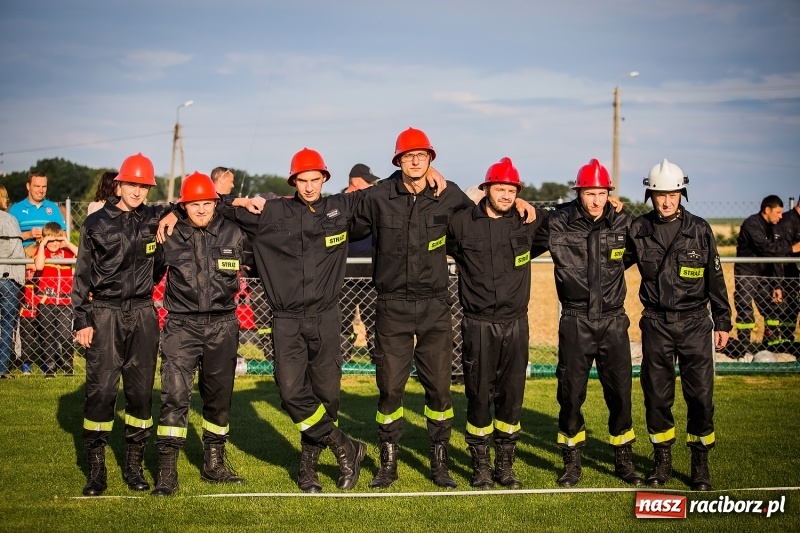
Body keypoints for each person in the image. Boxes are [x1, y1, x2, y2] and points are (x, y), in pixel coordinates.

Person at [351, 128, 537, 489]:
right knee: (390, 388)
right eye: (409, 156)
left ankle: (440, 463)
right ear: (398, 161)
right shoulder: (377, 196)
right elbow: (338, 214)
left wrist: (519, 205)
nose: (416, 161)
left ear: (431, 159)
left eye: (422, 155)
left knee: (439, 389)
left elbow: (485, 216)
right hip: (392, 306)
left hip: (436, 305)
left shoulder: (448, 193)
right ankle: (388, 463)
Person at [215, 149, 378, 493]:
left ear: (325, 179)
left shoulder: (341, 208)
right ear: (293, 181)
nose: (308, 187)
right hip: (286, 319)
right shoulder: (269, 211)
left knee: (327, 396)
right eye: (302, 180)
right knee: (291, 392)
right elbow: (206, 203)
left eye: (314, 180)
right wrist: (238, 200)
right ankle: (345, 445)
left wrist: (437, 179)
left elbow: (386, 191)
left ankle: (308, 468)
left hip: (327, 318)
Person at [529, 159, 642, 488]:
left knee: (620, 392)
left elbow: (636, 253)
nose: (596, 200)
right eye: (590, 193)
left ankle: (623, 458)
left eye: (602, 193)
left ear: (610, 193)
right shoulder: (557, 222)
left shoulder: (622, 220)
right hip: (575, 320)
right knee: (571, 393)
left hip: (613, 320)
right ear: (579, 193)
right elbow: (520, 246)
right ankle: (572, 461)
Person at [626, 158, 731, 491]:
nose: (666, 201)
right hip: (656, 323)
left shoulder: (699, 229)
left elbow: (715, 277)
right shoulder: (638, 229)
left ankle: (700, 464)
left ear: (682, 193)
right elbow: (612, 265)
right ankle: (662, 463)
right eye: (659, 195)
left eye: (673, 194)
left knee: (700, 397)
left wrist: (723, 320)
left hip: (696, 323)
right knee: (657, 397)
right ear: (650, 196)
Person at [72, 152, 172, 497]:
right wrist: (82, 319)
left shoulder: (154, 220)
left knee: (140, 393)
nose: (137, 191)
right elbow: (81, 276)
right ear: (119, 183)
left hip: (143, 314)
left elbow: (160, 265)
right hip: (104, 313)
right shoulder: (96, 223)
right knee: (101, 391)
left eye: (144, 186)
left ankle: (133, 465)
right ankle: (96, 470)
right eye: (132, 183)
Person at [446, 157, 546, 489]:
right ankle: (481, 467)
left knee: (511, 396)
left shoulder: (528, 222)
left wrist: (526, 204)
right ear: (486, 188)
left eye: (511, 190)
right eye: (499, 188)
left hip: (516, 324)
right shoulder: (462, 223)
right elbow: (431, 224)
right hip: (477, 325)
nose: (505, 195)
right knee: (477, 395)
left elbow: (568, 222)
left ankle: (505, 466)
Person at [151, 172, 249, 496]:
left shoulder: (234, 233)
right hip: (181, 326)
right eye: (194, 205)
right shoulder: (169, 233)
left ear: (215, 203)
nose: (202, 210)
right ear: (184, 206)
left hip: (223, 325)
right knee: (175, 398)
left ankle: (214, 465)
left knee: (219, 399)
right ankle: (167, 473)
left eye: (207, 203)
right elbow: (150, 274)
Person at [732, 195, 798, 355]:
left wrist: (777, 285)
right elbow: (766, 248)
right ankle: (743, 349)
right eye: (778, 212)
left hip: (765, 275)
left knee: (773, 309)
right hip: (747, 272)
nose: (781, 216)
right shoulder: (752, 224)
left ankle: (771, 346)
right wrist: (791, 248)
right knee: (745, 308)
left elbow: (776, 257)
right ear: (767, 210)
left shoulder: (774, 227)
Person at [342, 164, 379, 356]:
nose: (372, 186)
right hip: (345, 275)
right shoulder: (339, 203)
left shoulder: (372, 203)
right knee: (342, 319)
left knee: (374, 319)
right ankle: (342, 357)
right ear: (356, 181)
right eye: (368, 182)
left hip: (370, 275)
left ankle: (376, 357)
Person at [33, 222, 78, 377]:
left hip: (65, 302)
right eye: (50, 240)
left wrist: (66, 242)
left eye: (56, 240)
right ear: (44, 240)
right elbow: (39, 266)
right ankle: (50, 366)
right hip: (47, 302)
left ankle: (67, 365)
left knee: (65, 335)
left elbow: (82, 256)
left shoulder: (66, 252)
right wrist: (42, 244)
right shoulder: (42, 253)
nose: (54, 244)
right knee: (48, 335)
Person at [0, 185, 25, 379]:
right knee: (8, 322)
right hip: (7, 276)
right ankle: (2, 368)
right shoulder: (8, 220)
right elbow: (16, 250)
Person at [8, 171, 67, 249]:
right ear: (28, 186)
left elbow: (63, 236)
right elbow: (8, 239)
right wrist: (29, 234)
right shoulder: (16, 209)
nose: (41, 190)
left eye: (44, 186)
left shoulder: (53, 207)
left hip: (49, 253)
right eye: (37, 186)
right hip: (24, 254)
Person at [778, 199, 800, 353]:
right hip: (787, 274)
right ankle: (787, 346)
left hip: (794, 274)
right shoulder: (787, 222)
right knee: (788, 311)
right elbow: (779, 250)